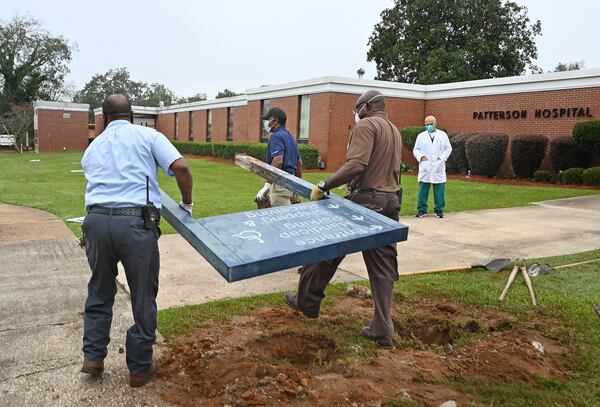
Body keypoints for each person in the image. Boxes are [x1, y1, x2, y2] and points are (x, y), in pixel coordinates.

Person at [80, 94, 193, 387]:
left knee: (100, 288)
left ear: (103, 119)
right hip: (135, 223)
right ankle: (139, 368)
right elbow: (181, 167)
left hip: (95, 221)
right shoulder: (148, 135)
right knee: (143, 295)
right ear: (131, 115)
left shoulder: (93, 148)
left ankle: (93, 356)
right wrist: (187, 203)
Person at [284, 90, 402, 348]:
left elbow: (356, 165)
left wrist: (324, 184)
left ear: (367, 107)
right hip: (390, 201)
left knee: (325, 248)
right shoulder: (393, 129)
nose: (355, 111)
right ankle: (383, 329)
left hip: (367, 201)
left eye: (357, 107)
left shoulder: (367, 126)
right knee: (383, 269)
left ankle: (307, 302)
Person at [255, 107, 303, 207]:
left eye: (268, 120)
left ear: (275, 121)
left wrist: (266, 186)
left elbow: (278, 161)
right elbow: (299, 164)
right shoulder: (291, 137)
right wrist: (296, 189)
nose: (267, 123)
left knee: (279, 220)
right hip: (290, 183)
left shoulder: (276, 136)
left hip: (280, 184)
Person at [412, 115, 452, 218]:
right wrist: (421, 157)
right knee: (423, 190)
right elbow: (416, 149)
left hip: (438, 166)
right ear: (425, 125)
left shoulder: (442, 135)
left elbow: (448, 149)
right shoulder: (420, 136)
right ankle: (421, 210)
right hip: (425, 167)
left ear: (435, 123)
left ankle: (439, 210)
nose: (429, 126)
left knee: (439, 190)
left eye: (431, 124)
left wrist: (441, 158)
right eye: (427, 124)